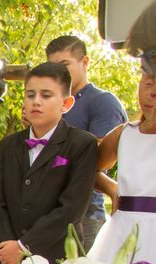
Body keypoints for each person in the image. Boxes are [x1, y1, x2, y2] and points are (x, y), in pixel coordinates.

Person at [0, 62, 98, 264]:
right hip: (11, 260)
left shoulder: (82, 144)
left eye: (46, 95)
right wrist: (7, 251)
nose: (36, 101)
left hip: (58, 259)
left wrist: (23, 245)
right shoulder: (9, 145)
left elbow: (72, 208)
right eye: (30, 95)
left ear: (66, 103)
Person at [46, 35, 127, 251]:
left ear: (85, 62)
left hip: (85, 215)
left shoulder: (102, 102)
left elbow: (95, 161)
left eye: (65, 65)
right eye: (53, 67)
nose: (59, 73)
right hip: (47, 212)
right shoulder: (47, 105)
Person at [88, 53, 156, 264]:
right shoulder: (123, 134)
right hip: (123, 232)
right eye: (146, 84)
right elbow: (90, 168)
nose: (150, 93)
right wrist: (112, 188)